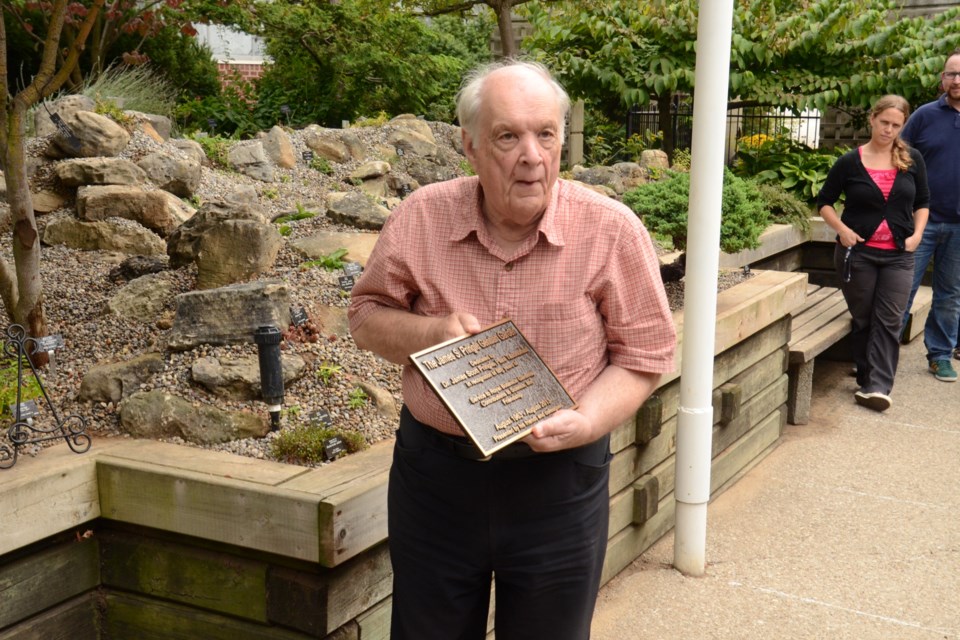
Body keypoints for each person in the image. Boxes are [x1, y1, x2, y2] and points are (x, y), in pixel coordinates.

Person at [347, 60, 676, 640]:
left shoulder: (611, 230)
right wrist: (429, 333)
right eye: (508, 136)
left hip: (559, 484)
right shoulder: (421, 217)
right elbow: (366, 318)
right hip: (435, 483)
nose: (531, 155)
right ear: (469, 146)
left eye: (545, 134)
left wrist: (588, 421)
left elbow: (644, 353)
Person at [817, 95, 929, 412]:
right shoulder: (850, 162)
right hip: (858, 256)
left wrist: (917, 235)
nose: (888, 130)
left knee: (890, 319)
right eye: (884, 123)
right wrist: (841, 229)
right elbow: (824, 202)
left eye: (896, 125)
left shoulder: (912, 160)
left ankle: (878, 386)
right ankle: (867, 377)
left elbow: (922, 202)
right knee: (865, 317)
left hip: (898, 255)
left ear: (903, 125)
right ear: (873, 119)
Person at [899, 49, 960, 383]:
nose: (957, 80)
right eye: (951, 74)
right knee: (901, 289)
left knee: (950, 295)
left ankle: (940, 356)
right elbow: (898, 157)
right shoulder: (923, 116)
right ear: (942, 79)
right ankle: (881, 354)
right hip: (919, 222)